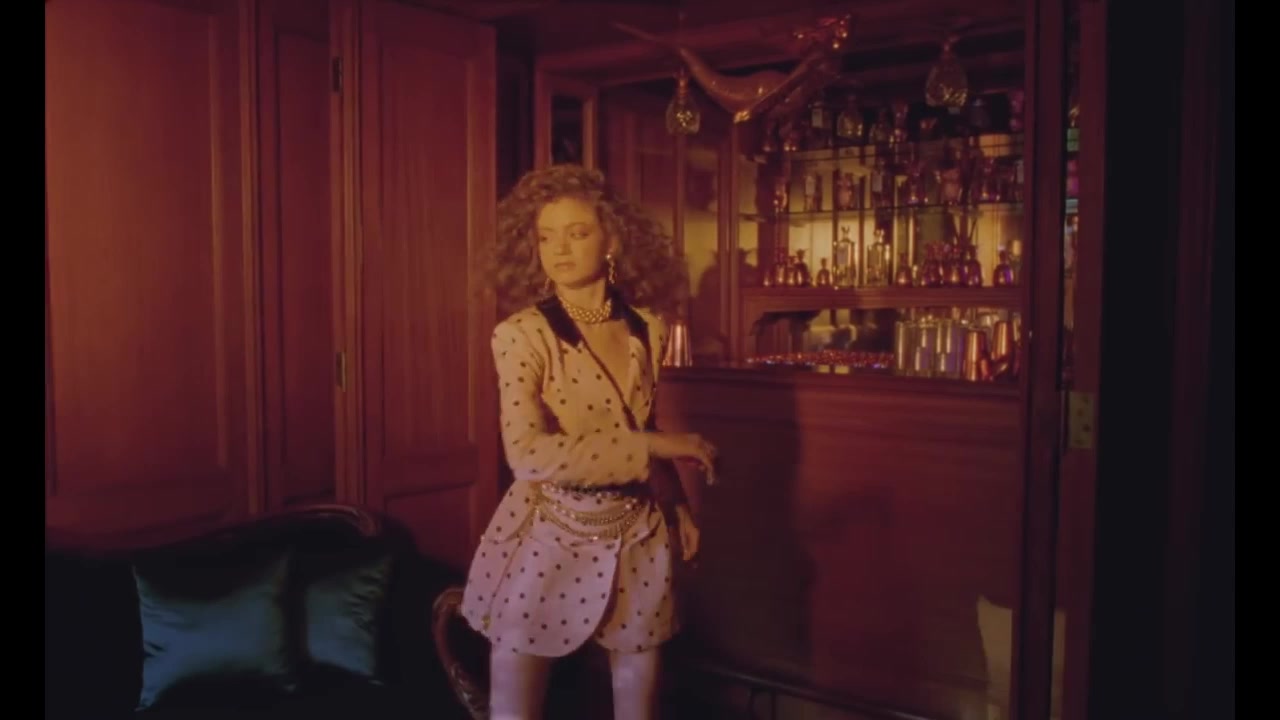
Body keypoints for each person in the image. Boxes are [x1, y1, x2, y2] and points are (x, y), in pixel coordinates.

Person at [459, 164, 718, 720]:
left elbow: (640, 419)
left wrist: (676, 506)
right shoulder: (522, 334)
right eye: (546, 237)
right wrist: (656, 447)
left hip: (637, 527)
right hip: (549, 530)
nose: (559, 249)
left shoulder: (647, 327)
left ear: (612, 240)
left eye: (576, 233)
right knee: (514, 701)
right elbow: (527, 454)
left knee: (638, 691)